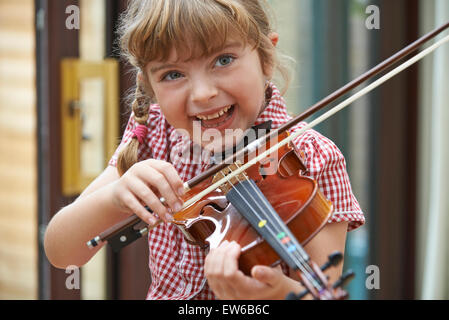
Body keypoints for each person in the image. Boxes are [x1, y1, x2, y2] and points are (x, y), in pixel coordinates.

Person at [44, 0, 364, 300]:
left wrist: (276, 292)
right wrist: (113, 197)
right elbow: (62, 253)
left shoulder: (311, 158)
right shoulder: (158, 132)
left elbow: (324, 290)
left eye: (223, 60)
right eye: (173, 74)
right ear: (149, 85)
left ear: (266, 57)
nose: (203, 93)